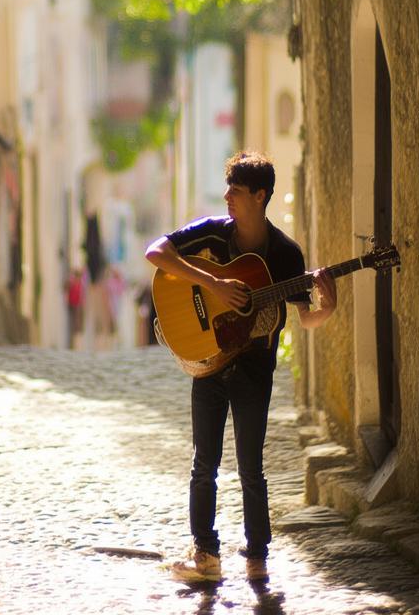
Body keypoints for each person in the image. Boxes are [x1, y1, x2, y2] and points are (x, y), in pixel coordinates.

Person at [145, 150, 337, 585]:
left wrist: (327, 309)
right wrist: (211, 281)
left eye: (237, 189)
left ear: (260, 195)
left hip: (254, 369)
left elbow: (305, 317)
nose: (227, 195)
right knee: (204, 463)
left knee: (251, 466)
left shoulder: (286, 254)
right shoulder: (212, 235)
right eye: (228, 187)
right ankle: (206, 555)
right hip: (209, 360)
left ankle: (257, 557)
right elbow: (156, 251)